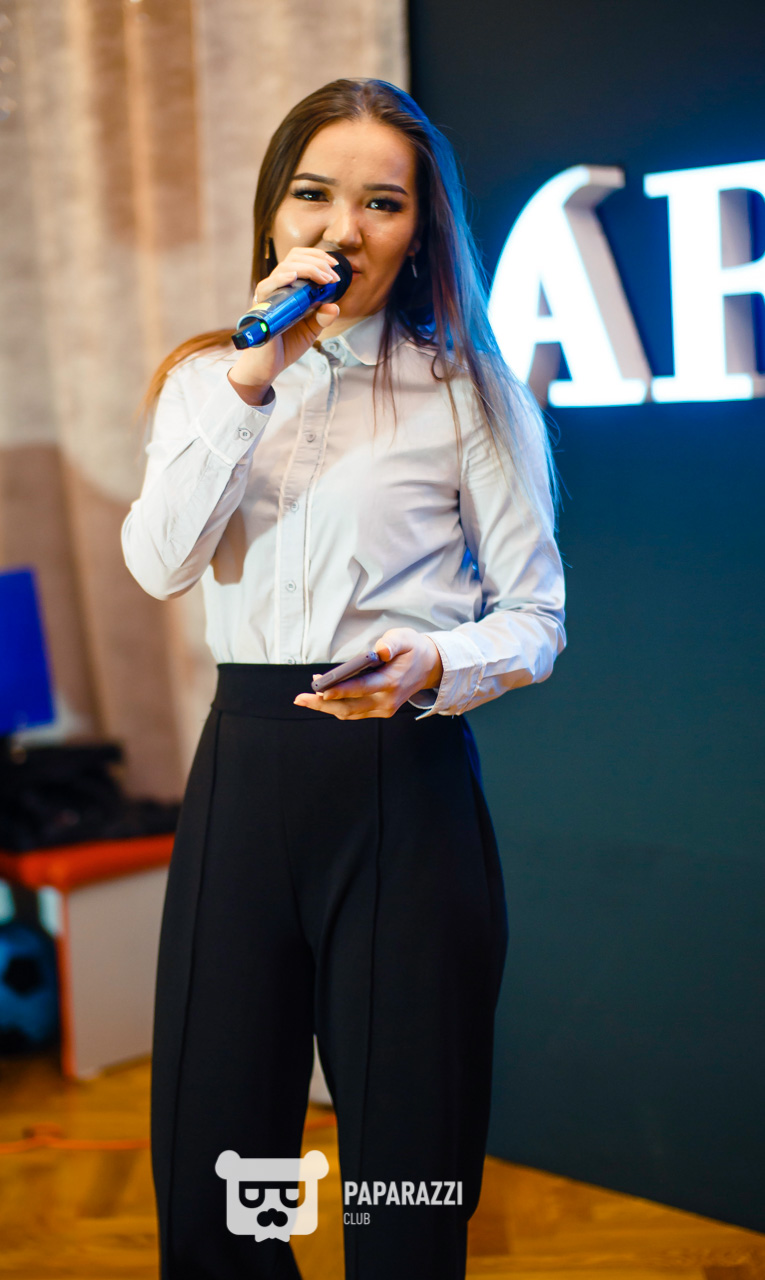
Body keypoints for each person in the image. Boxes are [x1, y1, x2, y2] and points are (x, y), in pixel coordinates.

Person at [122, 78, 565, 1280]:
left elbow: (536, 617)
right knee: (214, 1176)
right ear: (275, 213)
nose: (342, 228)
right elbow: (159, 563)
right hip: (243, 779)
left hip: (402, 782)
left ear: (419, 230)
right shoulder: (207, 381)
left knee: (405, 1181)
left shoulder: (469, 389)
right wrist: (250, 377)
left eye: (382, 202)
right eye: (315, 194)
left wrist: (437, 660)